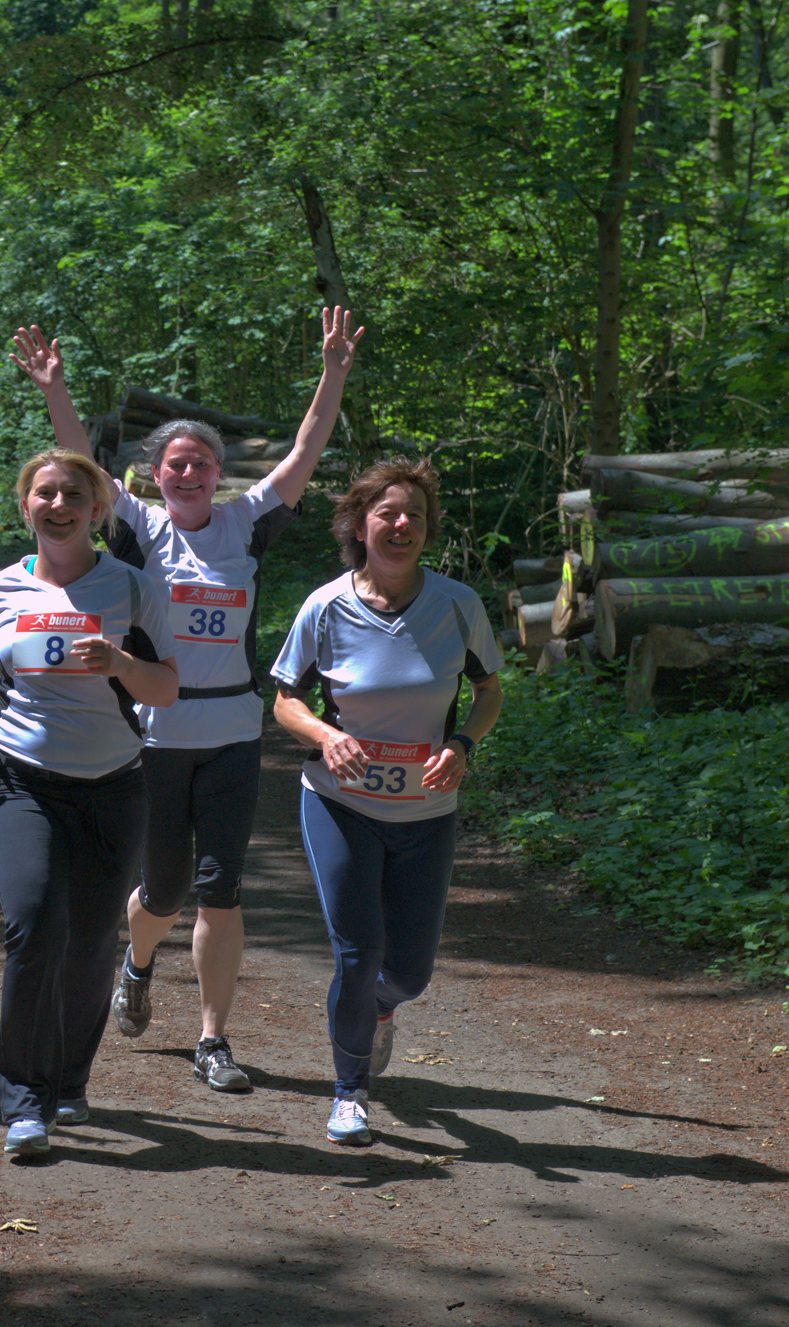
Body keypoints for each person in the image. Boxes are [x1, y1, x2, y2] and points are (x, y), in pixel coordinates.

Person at [11, 307, 362, 1095]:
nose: (190, 473)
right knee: (164, 890)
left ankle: (213, 1038)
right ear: (155, 473)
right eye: (176, 463)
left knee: (220, 887)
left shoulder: (247, 523)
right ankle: (137, 963)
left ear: (219, 471)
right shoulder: (137, 528)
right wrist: (55, 389)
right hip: (156, 733)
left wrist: (333, 372)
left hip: (233, 730)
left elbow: (305, 450)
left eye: (202, 462)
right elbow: (80, 461)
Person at [0, 449, 179, 1158]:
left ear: (96, 509)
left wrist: (122, 663)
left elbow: (167, 687)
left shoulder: (134, 588)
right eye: (44, 494)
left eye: (73, 494)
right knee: (35, 926)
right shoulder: (2, 588)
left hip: (113, 786)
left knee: (90, 942)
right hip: (19, 782)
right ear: (26, 507)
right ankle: (23, 1101)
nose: (58, 505)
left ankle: (70, 1079)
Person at [268, 456, 503, 1146]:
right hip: (339, 804)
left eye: (415, 516)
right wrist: (325, 734)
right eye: (388, 513)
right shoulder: (325, 606)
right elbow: (284, 700)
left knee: (409, 972)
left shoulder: (457, 604)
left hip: (425, 814)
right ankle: (350, 1092)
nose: (402, 526)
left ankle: (378, 1008)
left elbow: (488, 692)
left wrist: (461, 743)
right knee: (357, 952)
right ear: (359, 524)